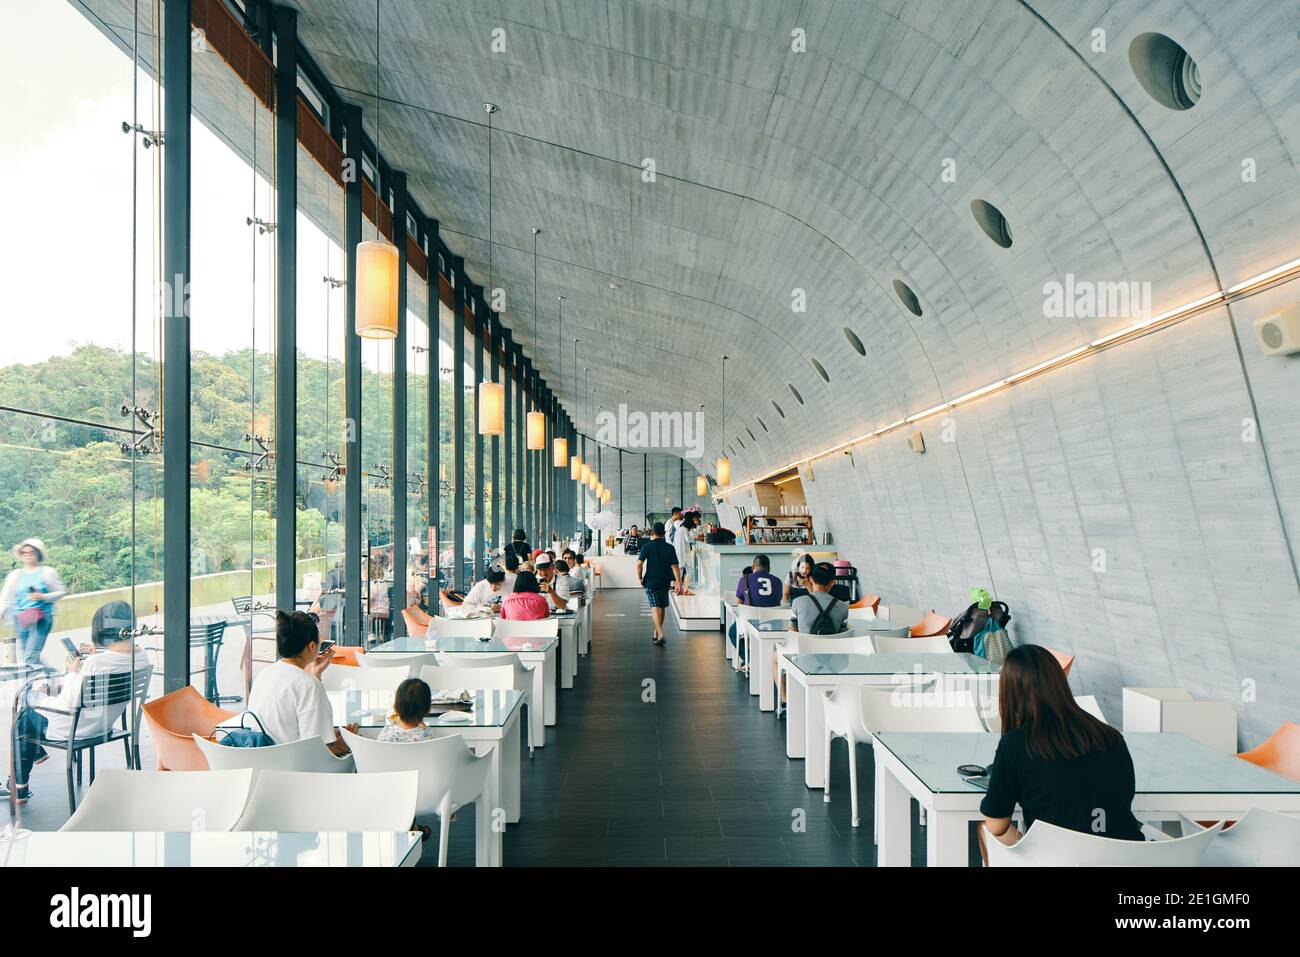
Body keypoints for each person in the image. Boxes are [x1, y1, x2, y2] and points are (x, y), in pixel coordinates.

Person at [978, 645, 1143, 858]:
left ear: (1010, 692)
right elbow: (1122, 798)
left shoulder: (1016, 744)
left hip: (1057, 859)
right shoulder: (1110, 736)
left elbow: (996, 825)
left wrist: (1030, 849)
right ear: (1058, 683)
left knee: (984, 830)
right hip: (1124, 858)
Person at [9, 600, 142, 803]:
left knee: (24, 715)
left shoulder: (95, 663)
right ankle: (34, 754)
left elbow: (70, 701)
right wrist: (99, 655)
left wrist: (72, 673)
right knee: (35, 709)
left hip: (77, 728)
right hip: (104, 726)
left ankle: (20, 787)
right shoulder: (142, 657)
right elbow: (117, 662)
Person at [245, 610, 356, 754]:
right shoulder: (309, 685)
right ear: (311, 646)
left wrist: (315, 673)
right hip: (295, 769)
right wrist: (344, 745)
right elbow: (316, 751)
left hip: (262, 763)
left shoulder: (265, 674)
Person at [1, 538, 67, 668]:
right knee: (29, 656)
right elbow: (5, 596)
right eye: (24, 552)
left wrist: (42, 596)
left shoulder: (48, 572)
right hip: (21, 620)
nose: (28, 554)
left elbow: (61, 592)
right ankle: (53, 676)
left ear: (38, 554)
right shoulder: (15, 575)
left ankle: (28, 688)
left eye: (31, 552)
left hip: (41, 620)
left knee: (30, 658)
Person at [636, 522, 681, 646]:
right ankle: (657, 631)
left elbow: (639, 564)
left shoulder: (647, 546)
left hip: (651, 581)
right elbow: (675, 566)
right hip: (664, 582)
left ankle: (659, 632)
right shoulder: (670, 548)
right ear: (664, 533)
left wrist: (640, 578)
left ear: (652, 533)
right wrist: (679, 582)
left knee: (655, 607)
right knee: (661, 607)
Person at [789, 563, 848, 634]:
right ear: (832, 582)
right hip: (832, 645)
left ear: (810, 579)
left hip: (804, 645)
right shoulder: (843, 607)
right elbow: (843, 636)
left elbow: (793, 632)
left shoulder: (797, 602)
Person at [377, 678, 441, 742]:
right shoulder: (428, 735)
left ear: (396, 706)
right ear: (428, 708)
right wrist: (423, 724)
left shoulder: (386, 732)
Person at [669, 513, 696, 592]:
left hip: (679, 554)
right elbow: (688, 539)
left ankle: (679, 589)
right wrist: (694, 538)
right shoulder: (685, 529)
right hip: (684, 554)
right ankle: (685, 589)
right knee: (689, 572)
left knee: (680, 574)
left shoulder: (679, 529)